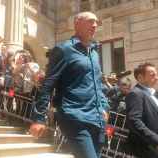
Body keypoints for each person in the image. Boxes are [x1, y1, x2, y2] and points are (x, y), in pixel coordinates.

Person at [29, 12, 109, 158]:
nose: (95, 25)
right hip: (74, 116)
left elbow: (98, 84)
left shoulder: (95, 53)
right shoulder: (63, 50)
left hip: (97, 119)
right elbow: (48, 85)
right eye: (91, 21)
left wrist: (104, 106)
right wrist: (39, 118)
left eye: (96, 22)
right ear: (77, 23)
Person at [125, 63, 158, 158]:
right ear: (140, 78)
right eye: (152, 75)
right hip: (147, 147)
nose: (156, 77)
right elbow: (134, 121)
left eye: (156, 74)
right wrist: (155, 140)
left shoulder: (153, 94)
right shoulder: (136, 94)